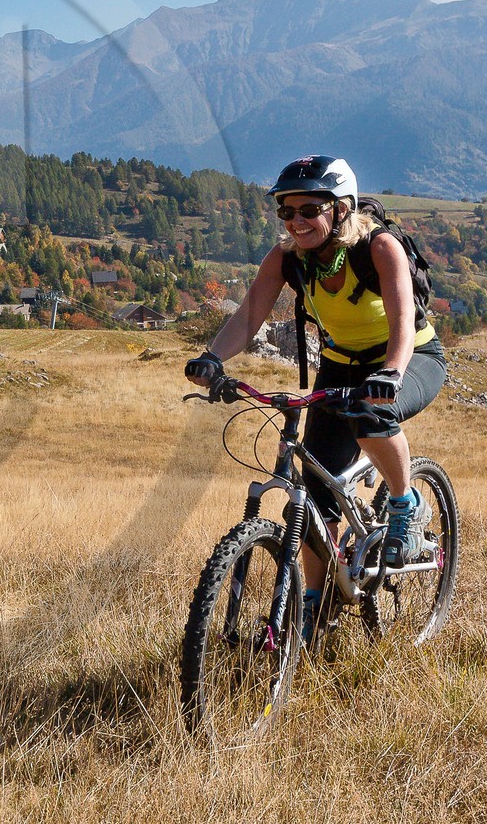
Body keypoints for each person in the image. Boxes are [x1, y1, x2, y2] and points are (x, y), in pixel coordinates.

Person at [185, 155, 447, 637]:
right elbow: (248, 316)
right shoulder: (288, 258)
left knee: (370, 416)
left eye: (309, 209)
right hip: (340, 364)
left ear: (341, 209)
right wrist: (213, 359)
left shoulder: (378, 247)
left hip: (410, 358)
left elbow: (404, 326)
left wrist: (390, 371)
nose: (296, 221)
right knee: (313, 503)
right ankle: (313, 604)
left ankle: (405, 503)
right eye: (286, 211)